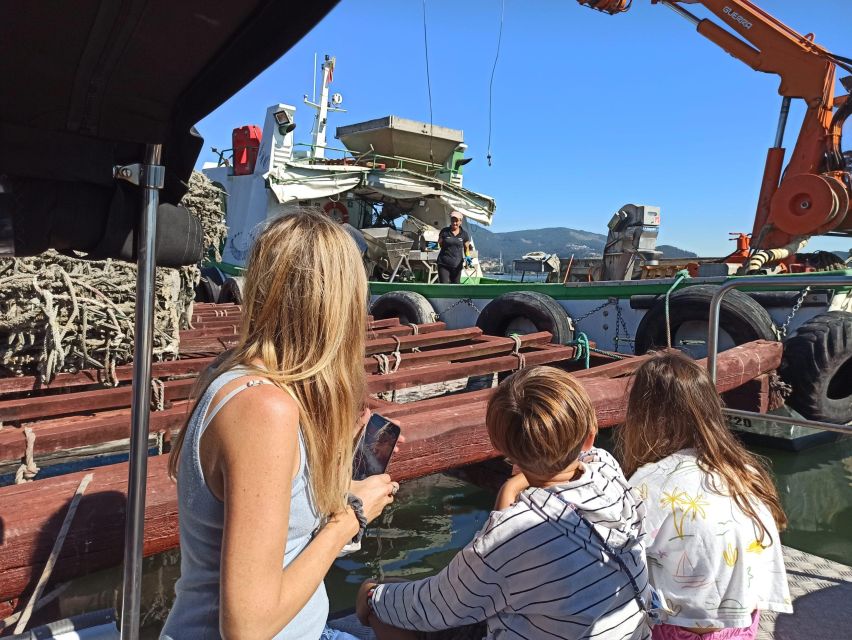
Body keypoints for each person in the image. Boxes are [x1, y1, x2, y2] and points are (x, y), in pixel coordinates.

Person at [161, 211, 398, 640]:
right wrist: (352, 516)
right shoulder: (263, 408)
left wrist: (330, 463)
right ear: (337, 305)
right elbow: (247, 628)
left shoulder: (245, 379)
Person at [356, 366, 652, 640]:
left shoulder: (512, 534)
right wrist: (513, 486)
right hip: (629, 630)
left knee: (385, 608)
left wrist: (372, 595)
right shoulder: (606, 468)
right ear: (590, 438)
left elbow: (439, 605)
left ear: (500, 448)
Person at [617, 351, 792, 640]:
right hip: (739, 624)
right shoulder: (745, 470)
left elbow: (623, 562)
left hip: (676, 629)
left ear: (643, 416)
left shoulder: (647, 483)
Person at [437, 211, 472, 283]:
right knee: (444, 285)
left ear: (460, 222)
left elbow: (466, 248)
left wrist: (468, 256)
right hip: (443, 263)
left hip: (457, 265)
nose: (454, 223)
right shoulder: (444, 231)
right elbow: (439, 244)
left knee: (456, 286)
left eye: (456, 221)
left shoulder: (464, 234)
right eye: (452, 221)